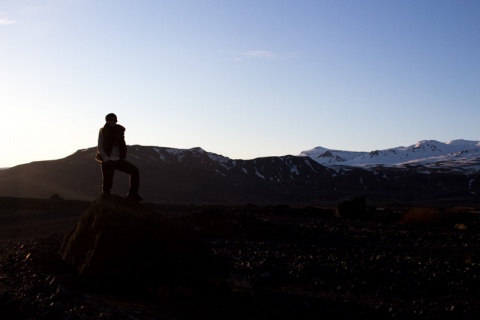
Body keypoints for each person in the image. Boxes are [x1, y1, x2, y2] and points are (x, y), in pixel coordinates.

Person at [96, 113, 143, 201]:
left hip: (118, 160)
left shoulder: (119, 131)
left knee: (134, 170)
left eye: (114, 120)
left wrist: (122, 157)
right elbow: (100, 147)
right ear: (107, 121)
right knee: (107, 182)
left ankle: (133, 194)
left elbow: (122, 145)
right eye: (110, 120)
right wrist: (106, 159)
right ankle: (105, 199)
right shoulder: (103, 131)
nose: (112, 121)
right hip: (107, 161)